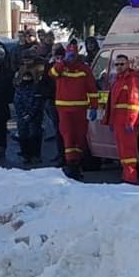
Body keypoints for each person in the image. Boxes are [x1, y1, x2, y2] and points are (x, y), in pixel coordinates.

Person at [51, 44, 98, 179]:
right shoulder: (60, 67)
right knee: (68, 136)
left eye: (73, 55)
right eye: (69, 55)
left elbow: (92, 88)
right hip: (64, 109)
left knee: (79, 137)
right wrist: (62, 62)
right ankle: (71, 164)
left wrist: (94, 106)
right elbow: (52, 74)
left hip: (80, 109)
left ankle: (76, 163)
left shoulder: (84, 69)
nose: (71, 57)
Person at [104, 53, 139, 183]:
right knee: (122, 150)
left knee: (128, 151)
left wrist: (131, 121)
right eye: (117, 64)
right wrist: (111, 121)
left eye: (122, 64)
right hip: (118, 121)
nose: (119, 66)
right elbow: (112, 102)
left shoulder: (132, 79)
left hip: (126, 121)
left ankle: (130, 178)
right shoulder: (117, 80)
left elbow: (134, 102)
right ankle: (126, 176)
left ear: (128, 64)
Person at [15, 63, 44, 164]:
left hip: (35, 117)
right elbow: (17, 102)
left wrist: (31, 114)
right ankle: (26, 155)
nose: (27, 79)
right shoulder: (19, 89)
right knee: (23, 136)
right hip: (22, 116)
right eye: (25, 77)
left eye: (28, 77)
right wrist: (23, 114)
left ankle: (35, 155)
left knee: (35, 135)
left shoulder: (36, 88)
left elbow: (38, 102)